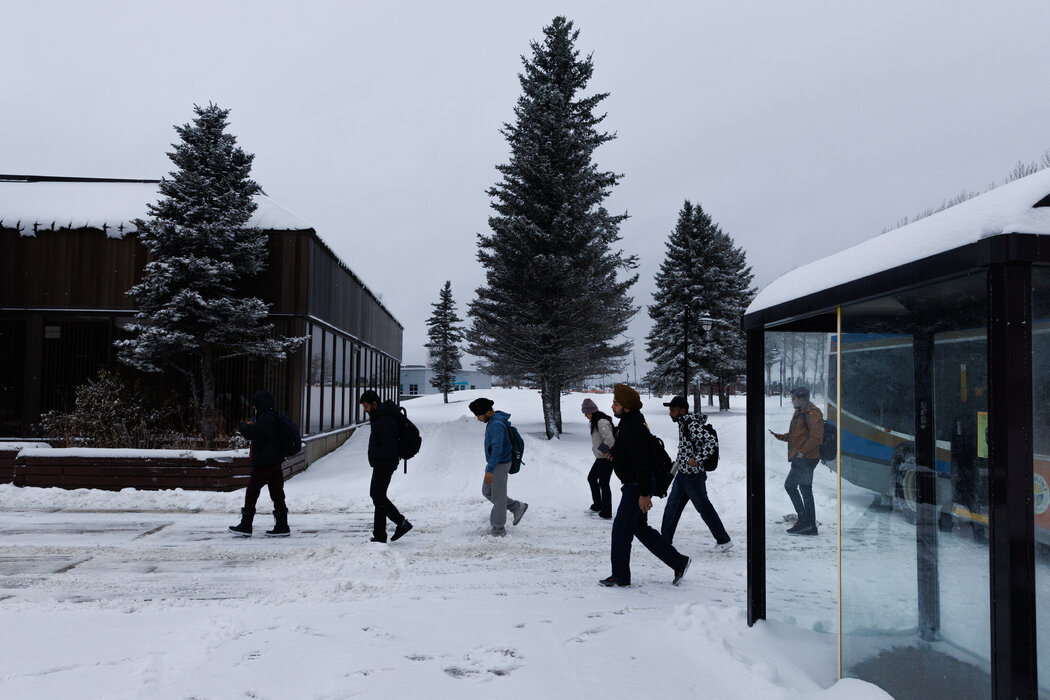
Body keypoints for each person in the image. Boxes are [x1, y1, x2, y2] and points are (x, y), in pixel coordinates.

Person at [599, 383, 690, 587]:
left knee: (621, 531)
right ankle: (678, 562)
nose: (612, 407)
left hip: (636, 487)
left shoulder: (632, 428)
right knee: (640, 528)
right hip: (636, 485)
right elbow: (632, 455)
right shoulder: (630, 423)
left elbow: (643, 462)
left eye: (616, 403)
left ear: (627, 406)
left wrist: (644, 494)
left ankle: (620, 576)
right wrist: (615, 455)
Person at [659, 396, 732, 551]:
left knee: (704, 508)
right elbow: (685, 448)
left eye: (673, 410)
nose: (670, 413)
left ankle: (724, 540)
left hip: (693, 476)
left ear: (682, 410)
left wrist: (697, 459)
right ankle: (664, 540)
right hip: (683, 474)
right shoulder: (683, 424)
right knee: (672, 506)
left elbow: (712, 442)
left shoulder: (691, 425)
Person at [229, 389, 290, 537]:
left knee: (252, 492)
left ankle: (246, 525)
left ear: (260, 404)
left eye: (254, 405)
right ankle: (282, 525)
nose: (253, 408)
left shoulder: (265, 419)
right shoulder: (272, 417)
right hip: (274, 461)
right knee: (277, 492)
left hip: (265, 462)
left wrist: (243, 425)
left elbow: (253, 433)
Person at [468, 397, 528, 536]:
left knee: (499, 499)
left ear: (486, 412)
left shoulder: (496, 425)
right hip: (495, 464)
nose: (478, 419)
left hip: (499, 464)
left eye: (478, 415)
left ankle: (498, 529)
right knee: (487, 492)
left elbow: (497, 448)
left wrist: (490, 470)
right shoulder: (495, 421)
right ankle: (517, 507)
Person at [360, 389, 413, 543]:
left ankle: (399, 524)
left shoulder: (385, 419)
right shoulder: (379, 416)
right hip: (383, 461)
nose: (365, 410)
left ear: (374, 404)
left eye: (366, 406)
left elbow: (389, 445)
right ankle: (381, 534)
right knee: (378, 496)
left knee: (377, 496)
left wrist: (378, 457)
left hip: (385, 462)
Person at [771, 386, 824, 536]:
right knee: (803, 489)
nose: (791, 400)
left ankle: (806, 522)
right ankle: (807, 523)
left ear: (802, 399)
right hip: (803, 457)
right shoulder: (800, 412)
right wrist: (783, 436)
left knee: (794, 486)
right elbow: (799, 435)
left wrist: (801, 453)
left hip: (807, 458)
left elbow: (816, 438)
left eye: (793, 398)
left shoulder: (812, 414)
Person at [582, 397, 615, 519]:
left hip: (606, 458)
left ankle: (606, 511)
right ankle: (598, 504)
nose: (585, 415)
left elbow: (610, 439)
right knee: (592, 478)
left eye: (586, 413)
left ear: (592, 411)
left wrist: (605, 452)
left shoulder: (601, 422)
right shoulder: (596, 422)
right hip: (600, 457)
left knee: (604, 483)